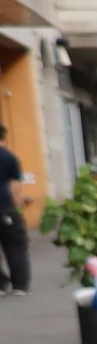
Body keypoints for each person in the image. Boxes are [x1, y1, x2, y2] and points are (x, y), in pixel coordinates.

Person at [0, 126, 29, 295]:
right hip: (6, 207)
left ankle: (1, 284)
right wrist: (18, 207)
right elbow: (14, 186)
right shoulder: (10, 157)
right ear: (4, 137)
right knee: (15, 246)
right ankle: (20, 285)